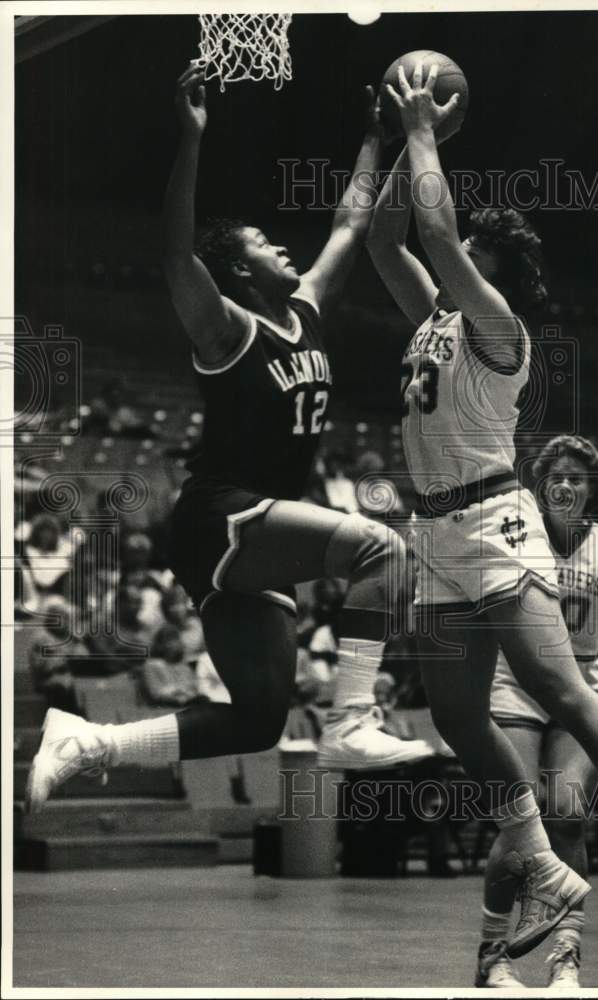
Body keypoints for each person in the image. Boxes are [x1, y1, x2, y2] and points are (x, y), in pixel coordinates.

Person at [25, 62, 432, 813]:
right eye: (262, 243)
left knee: (256, 718)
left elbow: (347, 221)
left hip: (255, 533)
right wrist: (191, 139)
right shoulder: (224, 329)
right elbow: (176, 255)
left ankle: (88, 742)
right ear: (239, 273)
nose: (282, 248)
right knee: (381, 548)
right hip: (221, 514)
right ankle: (350, 718)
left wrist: (374, 141)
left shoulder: (305, 310)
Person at [368, 60, 598, 963]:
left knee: (560, 686)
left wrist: (425, 128)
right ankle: (538, 859)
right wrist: (390, 135)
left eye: (475, 253)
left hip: (493, 519)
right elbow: (383, 240)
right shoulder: (434, 315)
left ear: (496, 273)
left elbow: (435, 234)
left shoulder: (498, 328)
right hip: (436, 530)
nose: (459, 254)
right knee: (455, 715)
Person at [480, 435, 598, 987]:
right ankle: (491, 955)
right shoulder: (518, 537)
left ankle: (566, 957)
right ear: (541, 484)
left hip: (578, 690)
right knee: (520, 817)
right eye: (557, 475)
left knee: (569, 811)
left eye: (578, 478)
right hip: (517, 687)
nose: (565, 484)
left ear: (591, 490)